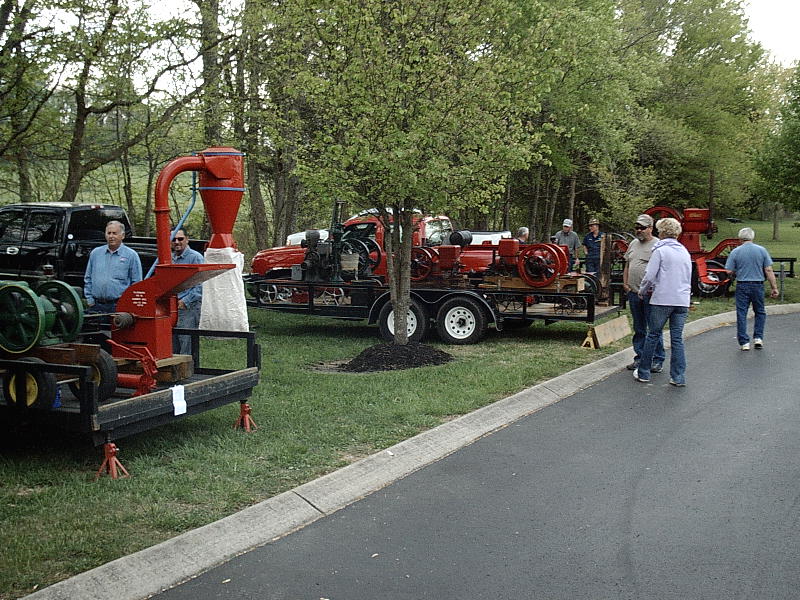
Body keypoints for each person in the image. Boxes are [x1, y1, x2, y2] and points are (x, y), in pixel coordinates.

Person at [633, 217, 692, 387]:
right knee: (677, 339)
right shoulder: (684, 251)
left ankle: (644, 372)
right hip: (681, 300)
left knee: (653, 334)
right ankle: (678, 376)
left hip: (663, 298)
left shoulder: (660, 251)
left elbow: (649, 275)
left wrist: (642, 291)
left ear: (663, 232)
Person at [724, 227, 779, 351]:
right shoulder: (761, 250)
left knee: (741, 313)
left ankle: (744, 342)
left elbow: (729, 270)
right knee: (760, 311)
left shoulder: (736, 252)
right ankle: (758, 338)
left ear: (740, 238)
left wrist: (736, 272)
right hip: (757, 284)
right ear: (752, 237)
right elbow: (768, 269)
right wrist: (774, 287)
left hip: (742, 285)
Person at [622, 214, 665, 372]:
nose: (639, 230)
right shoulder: (633, 243)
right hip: (633, 292)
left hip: (650, 294)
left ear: (651, 228)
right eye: (637, 227)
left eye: (642, 227)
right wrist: (625, 284)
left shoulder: (658, 245)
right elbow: (628, 265)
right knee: (639, 328)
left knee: (654, 328)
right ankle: (640, 357)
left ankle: (657, 359)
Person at [84, 220, 142, 314]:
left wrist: (128, 304)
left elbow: (137, 283)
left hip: (119, 306)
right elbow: (88, 278)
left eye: (114, 233)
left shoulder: (131, 255)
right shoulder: (96, 253)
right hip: (96, 306)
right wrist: (89, 299)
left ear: (122, 236)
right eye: (109, 233)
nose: (111, 236)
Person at [171, 228, 204, 354]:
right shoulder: (170, 259)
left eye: (180, 239)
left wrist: (185, 301)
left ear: (187, 239)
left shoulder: (195, 258)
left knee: (187, 344)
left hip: (188, 308)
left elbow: (201, 285)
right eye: (173, 239)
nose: (177, 242)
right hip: (172, 308)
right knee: (173, 345)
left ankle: (189, 366)